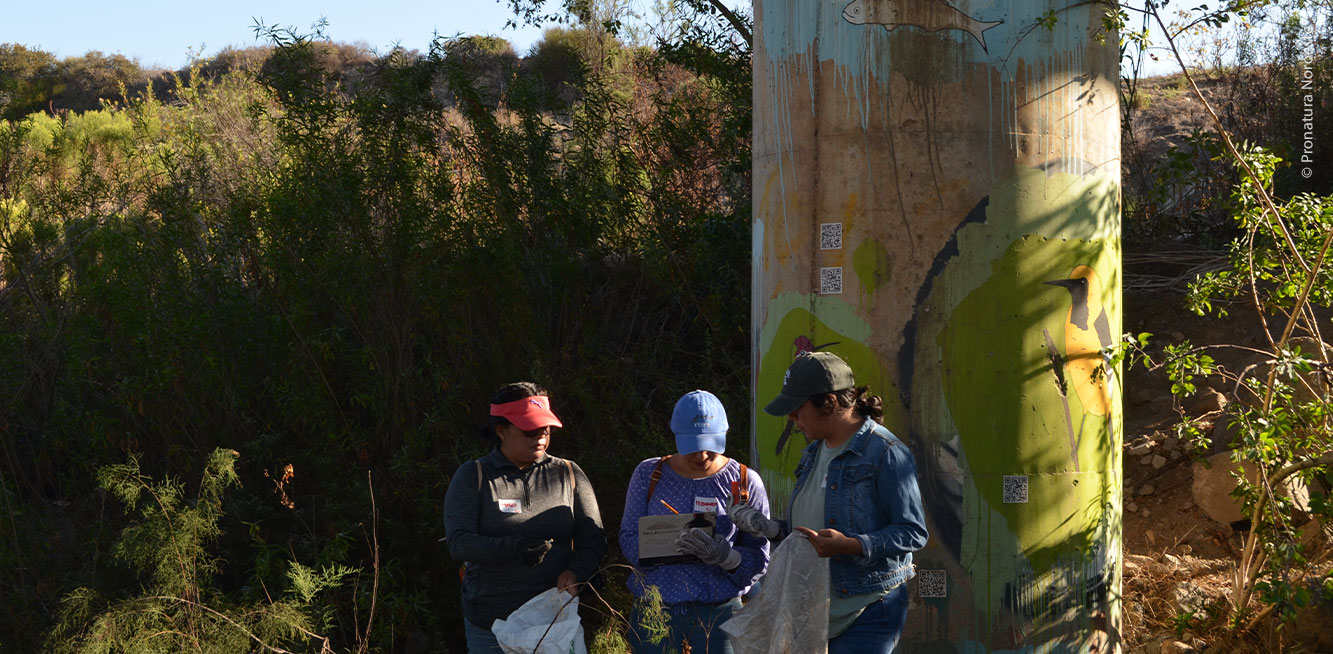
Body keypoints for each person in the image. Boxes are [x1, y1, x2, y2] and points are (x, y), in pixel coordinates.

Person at [730, 352, 928, 654]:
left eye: (797, 410)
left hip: (868, 609)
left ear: (830, 403)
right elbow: (813, 530)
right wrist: (770, 529)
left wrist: (853, 545)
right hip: (815, 613)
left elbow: (913, 532)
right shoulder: (812, 454)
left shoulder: (885, 452)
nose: (791, 419)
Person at [443, 382, 607, 653]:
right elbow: (459, 543)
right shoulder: (474, 476)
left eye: (546, 429)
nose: (540, 437)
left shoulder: (568, 473)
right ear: (501, 431)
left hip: (553, 623)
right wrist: (513, 548)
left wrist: (576, 572)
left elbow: (594, 538)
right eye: (530, 430)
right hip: (492, 625)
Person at [619, 390, 772, 654]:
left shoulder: (744, 482)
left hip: (719, 615)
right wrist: (666, 545)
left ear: (725, 433)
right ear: (676, 435)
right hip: (656, 611)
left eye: (710, 445)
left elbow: (760, 555)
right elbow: (628, 537)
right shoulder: (650, 474)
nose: (702, 455)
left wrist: (728, 558)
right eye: (692, 445)